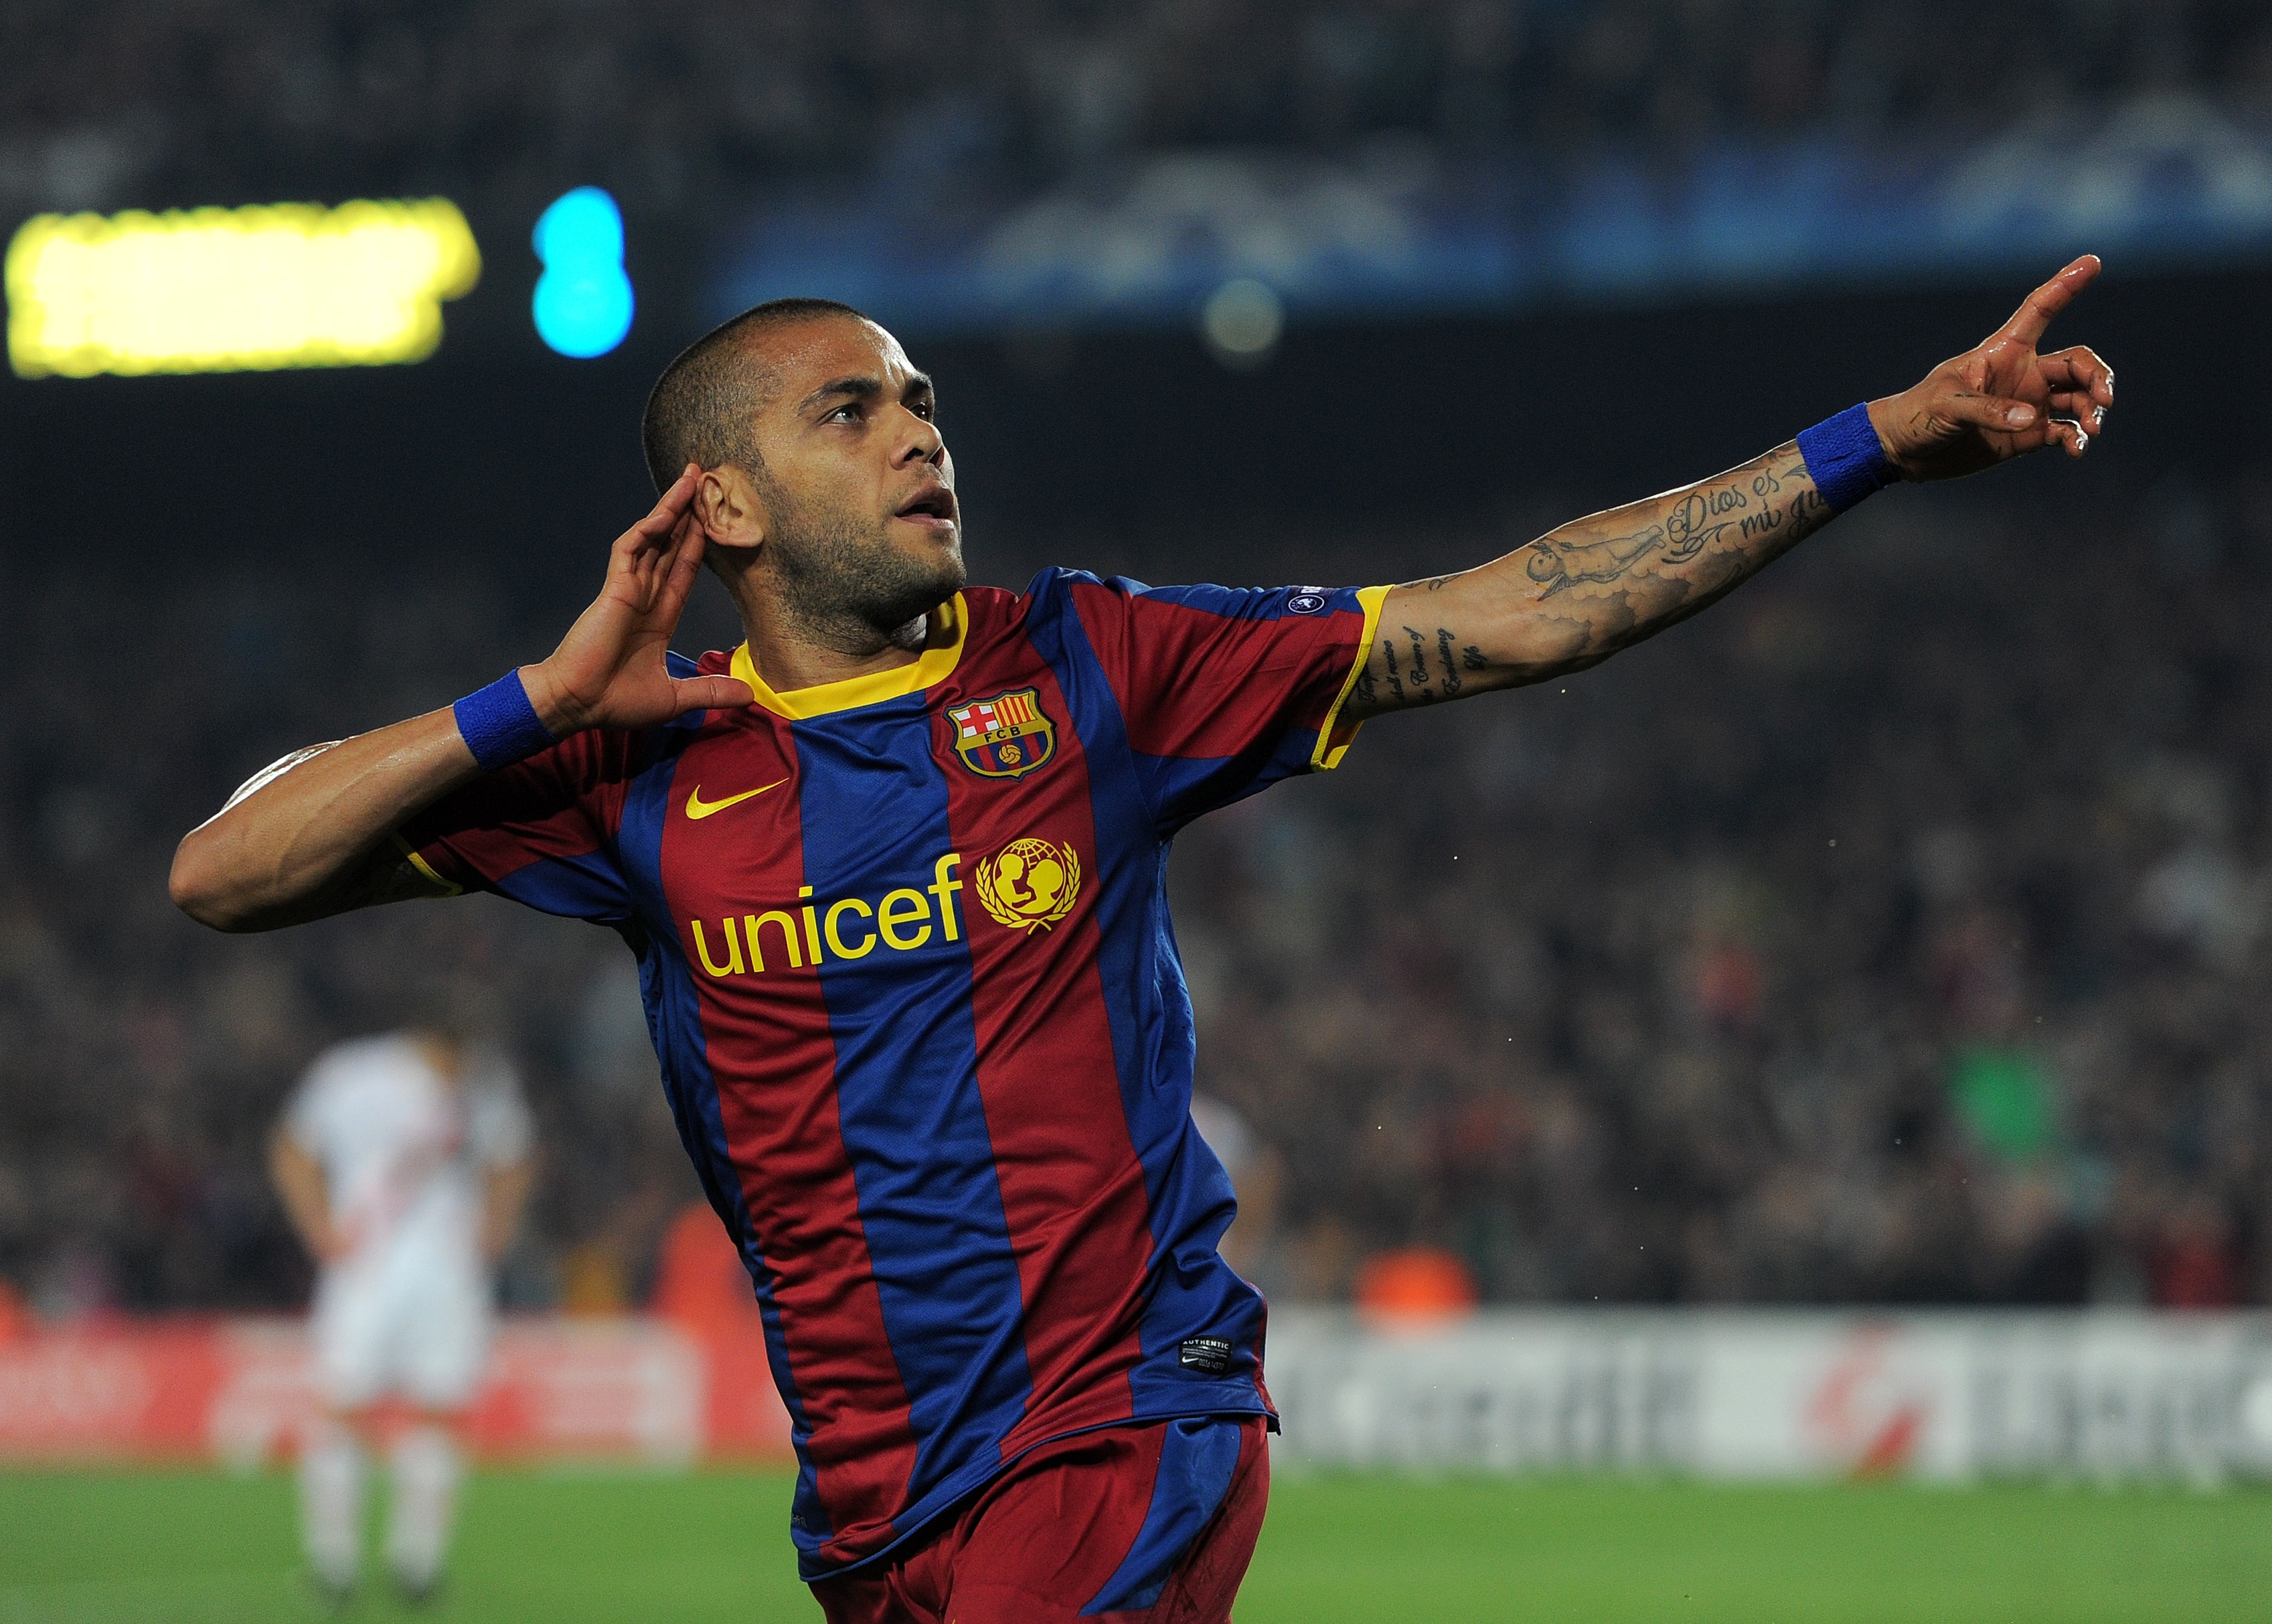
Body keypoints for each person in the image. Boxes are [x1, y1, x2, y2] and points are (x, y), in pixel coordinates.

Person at [174, 258, 2113, 1621]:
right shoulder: (630, 768)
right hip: (873, 1508)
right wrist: (536, 696)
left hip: (1120, 1429)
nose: (921, 434)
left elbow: (1514, 612)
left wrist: (1874, 437)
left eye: (923, 400)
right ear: (728, 503)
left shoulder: (1088, 667)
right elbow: (225, 873)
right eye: (851, 410)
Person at [269, 1028, 534, 1604]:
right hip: (366, 1260)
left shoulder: (482, 1082)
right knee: (342, 1408)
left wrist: (496, 1228)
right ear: (432, 1037)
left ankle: (417, 1566)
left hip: (447, 1269)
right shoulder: (354, 1074)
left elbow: (512, 1158)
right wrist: (317, 1224)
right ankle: (333, 1565)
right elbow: (293, 1147)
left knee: (438, 1410)